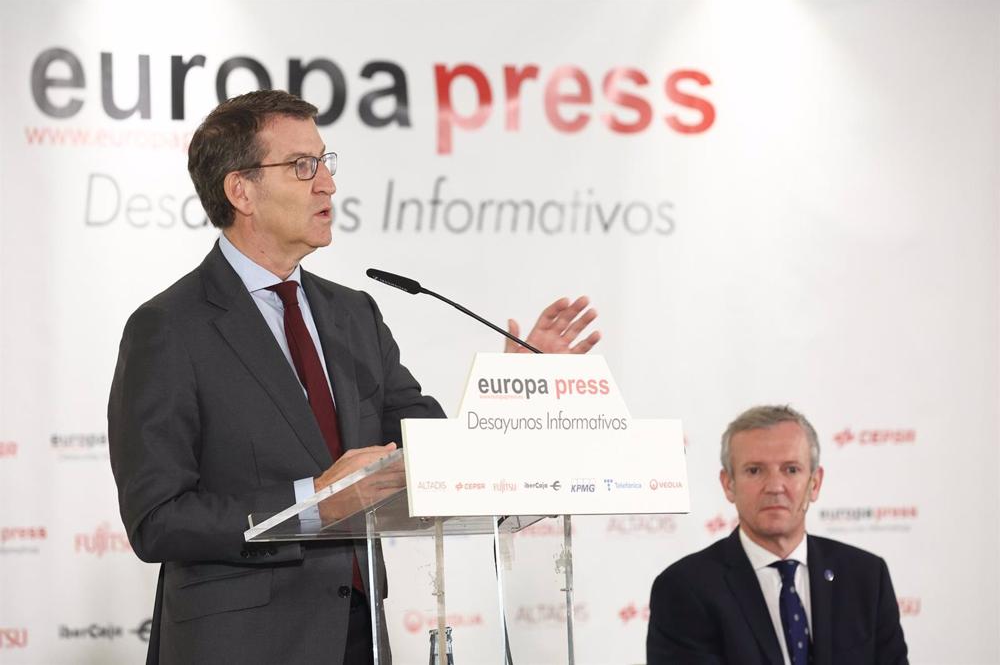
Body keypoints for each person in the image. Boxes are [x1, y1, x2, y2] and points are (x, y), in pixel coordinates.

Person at [107, 90, 600, 665]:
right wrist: (313, 502)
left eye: (324, 162)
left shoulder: (353, 314)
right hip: (238, 645)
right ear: (240, 190)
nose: (327, 185)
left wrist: (511, 387)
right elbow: (158, 520)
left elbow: (424, 446)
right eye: (301, 166)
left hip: (358, 638)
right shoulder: (169, 327)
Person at [647, 405, 908, 665]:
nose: (774, 487)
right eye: (754, 470)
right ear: (728, 485)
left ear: (814, 484)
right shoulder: (684, 589)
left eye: (791, 469)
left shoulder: (867, 577)